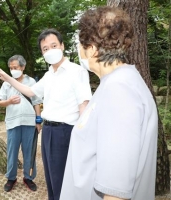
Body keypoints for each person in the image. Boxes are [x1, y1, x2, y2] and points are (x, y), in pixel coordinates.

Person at [60, 6, 158, 200]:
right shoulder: (115, 83)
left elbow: (116, 191)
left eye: (81, 44)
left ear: (92, 49)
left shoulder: (119, 91)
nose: (79, 50)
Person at [0, 29, 92, 199]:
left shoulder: (76, 71)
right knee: (51, 179)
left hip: (66, 131)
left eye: (53, 45)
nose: (50, 50)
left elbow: (84, 104)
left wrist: (83, 137)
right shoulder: (49, 75)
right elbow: (31, 92)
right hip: (48, 131)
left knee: (63, 179)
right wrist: (8, 79)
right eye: (45, 48)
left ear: (62, 46)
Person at [0, 55, 43, 192]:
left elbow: (36, 102)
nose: (12, 70)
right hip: (12, 123)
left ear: (23, 67)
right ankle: (11, 178)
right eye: (10, 68)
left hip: (29, 123)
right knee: (12, 152)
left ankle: (28, 177)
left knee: (29, 152)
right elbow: (0, 102)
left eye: (15, 67)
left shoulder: (31, 81)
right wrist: (9, 101)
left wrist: (38, 121)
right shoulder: (6, 83)